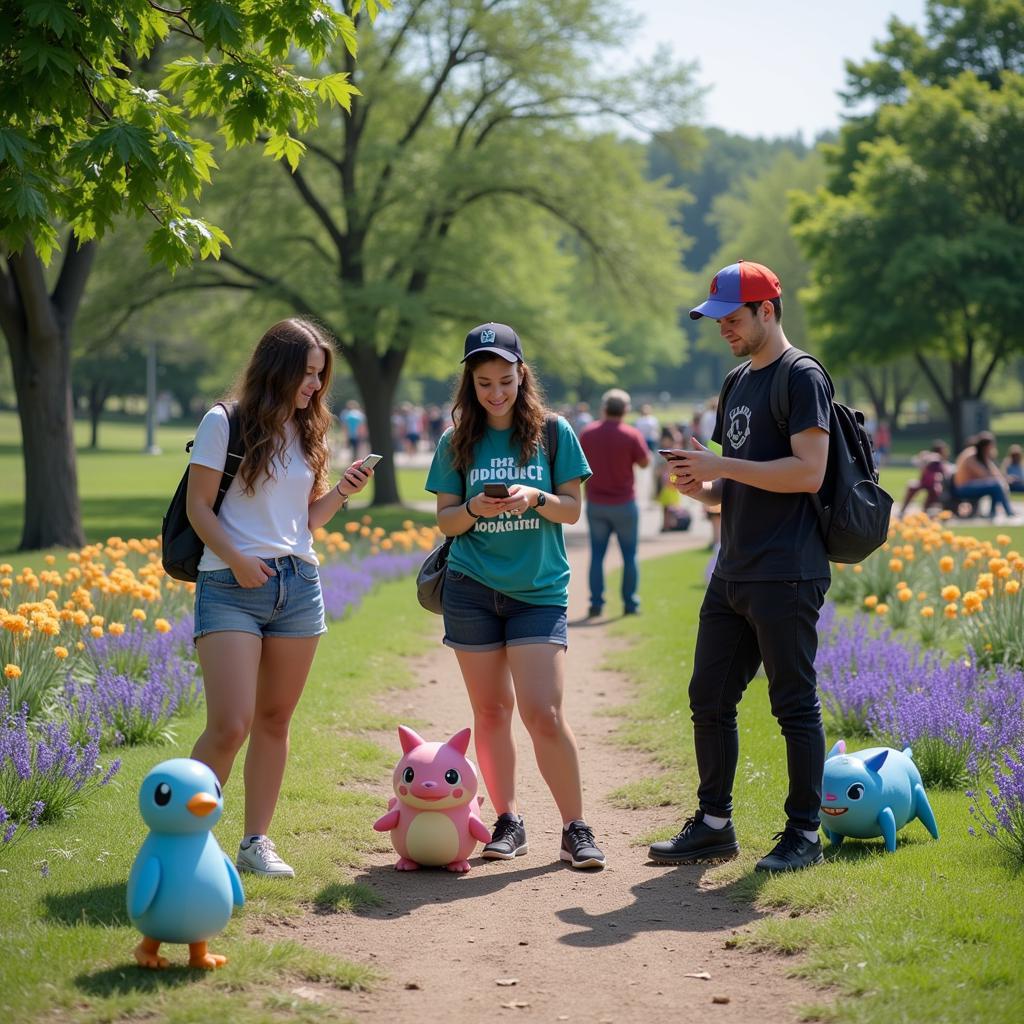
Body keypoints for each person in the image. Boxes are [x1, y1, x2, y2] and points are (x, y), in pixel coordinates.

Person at [648, 260, 833, 873]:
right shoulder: (735, 383)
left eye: (732, 318)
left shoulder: (801, 376)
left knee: (793, 704)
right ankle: (714, 824)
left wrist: (723, 467)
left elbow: (809, 471)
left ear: (767, 311)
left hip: (788, 571)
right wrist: (700, 483)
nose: (723, 328)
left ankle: (804, 833)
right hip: (734, 571)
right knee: (709, 696)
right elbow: (737, 486)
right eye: (717, 320)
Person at [185, 318, 373, 878]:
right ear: (278, 368)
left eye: (320, 375)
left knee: (274, 719)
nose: (315, 385)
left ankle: (255, 842)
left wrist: (342, 490)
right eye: (307, 373)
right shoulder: (224, 421)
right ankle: (184, 835)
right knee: (230, 723)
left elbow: (305, 520)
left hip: (297, 586)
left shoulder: (310, 429)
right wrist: (239, 560)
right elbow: (199, 508)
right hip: (229, 585)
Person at [425, 322, 606, 871]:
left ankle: (576, 828)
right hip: (471, 588)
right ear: (470, 384)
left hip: (538, 592)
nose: (496, 392)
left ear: (521, 374)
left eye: (505, 379)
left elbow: (572, 509)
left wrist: (536, 496)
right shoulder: (456, 442)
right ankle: (508, 820)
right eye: (484, 383)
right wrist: (476, 508)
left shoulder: (553, 433)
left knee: (543, 712)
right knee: (491, 710)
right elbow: (447, 522)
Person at [579, 388, 651, 618]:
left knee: (597, 555)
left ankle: (596, 603)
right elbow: (644, 463)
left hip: (596, 503)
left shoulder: (588, 433)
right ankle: (630, 603)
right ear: (626, 410)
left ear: (603, 407)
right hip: (624, 503)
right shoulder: (631, 434)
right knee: (629, 556)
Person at [952, 431, 1015, 519]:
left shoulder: (981, 456)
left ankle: (993, 513)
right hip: (963, 488)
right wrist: (1000, 481)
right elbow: (984, 474)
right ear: (985, 446)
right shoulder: (971, 455)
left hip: (972, 486)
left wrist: (1003, 479)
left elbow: (994, 471)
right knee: (996, 485)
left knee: (996, 485)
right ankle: (1007, 511)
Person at [899, 440, 950, 518]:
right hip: (927, 482)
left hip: (928, 483)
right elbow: (944, 473)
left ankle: (922, 510)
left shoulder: (931, 457)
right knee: (934, 488)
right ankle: (922, 511)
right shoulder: (936, 457)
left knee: (934, 489)